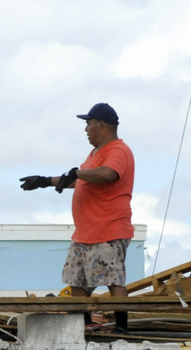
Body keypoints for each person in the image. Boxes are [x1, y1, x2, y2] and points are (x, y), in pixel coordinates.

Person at [20, 103, 134, 328]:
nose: (86, 129)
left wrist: (76, 173)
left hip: (107, 230)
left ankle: (122, 328)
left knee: (113, 280)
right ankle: (83, 327)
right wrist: (46, 181)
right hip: (85, 233)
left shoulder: (117, 150)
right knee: (77, 282)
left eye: (88, 124)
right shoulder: (95, 153)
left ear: (101, 125)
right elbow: (80, 178)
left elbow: (108, 174)